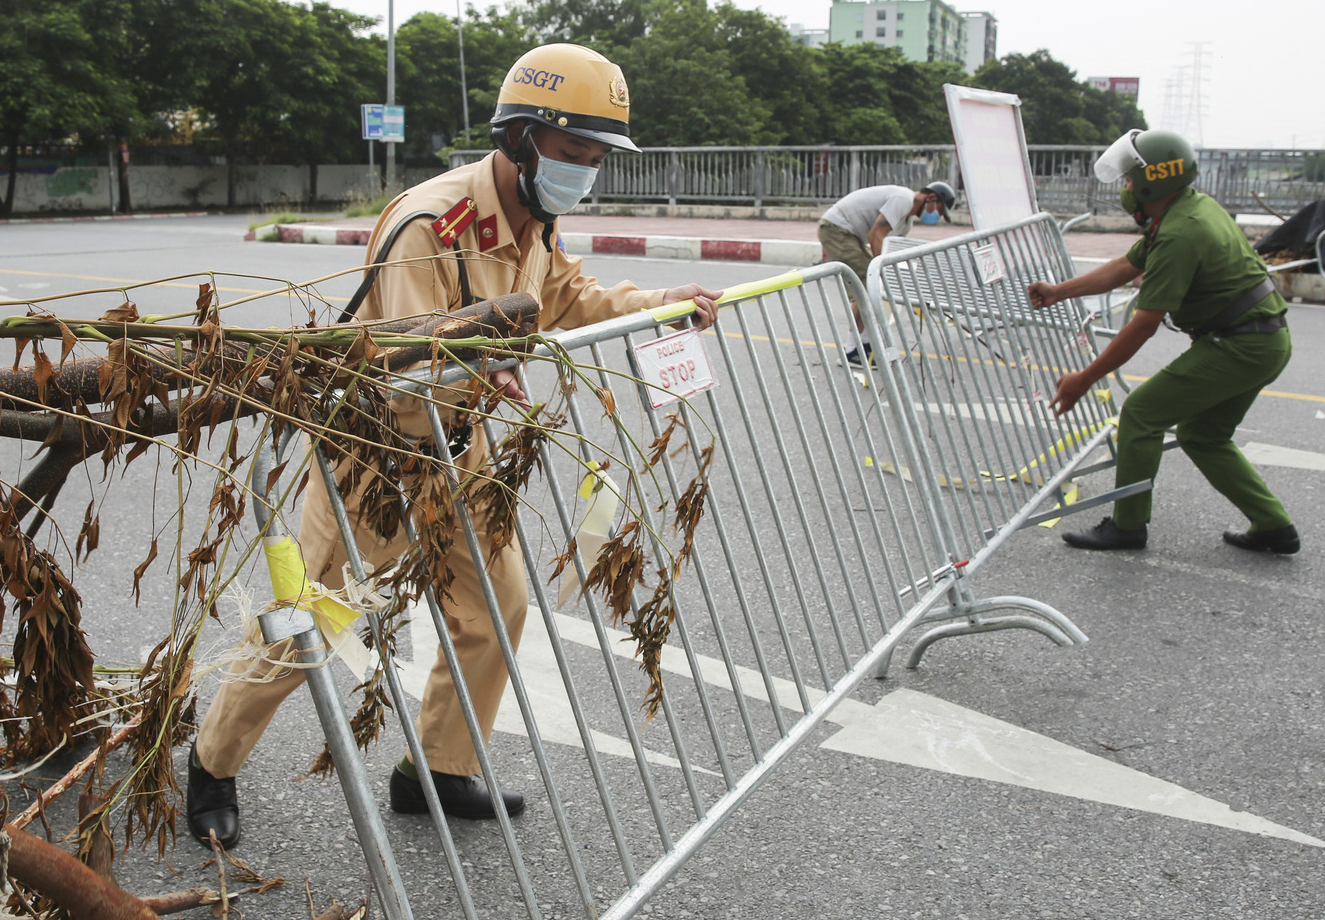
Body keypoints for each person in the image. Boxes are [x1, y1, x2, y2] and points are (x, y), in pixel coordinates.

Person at [184, 42, 723, 849]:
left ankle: (435, 768)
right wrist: (482, 368)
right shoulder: (430, 224)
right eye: (574, 153)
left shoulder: (532, 218)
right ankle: (211, 763)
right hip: (371, 458)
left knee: (494, 608)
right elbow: (406, 356)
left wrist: (657, 302)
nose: (584, 171)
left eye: (594, 158)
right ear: (520, 139)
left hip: (457, 451)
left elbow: (565, 295)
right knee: (308, 626)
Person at [1027, 128, 1298, 555]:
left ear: (1154, 180)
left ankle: (1127, 526)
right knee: (1203, 435)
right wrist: (1060, 290)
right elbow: (1123, 266)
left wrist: (1085, 378)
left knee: (1141, 414)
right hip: (1264, 340)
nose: (1127, 187)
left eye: (1131, 179)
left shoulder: (1179, 234)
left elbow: (1143, 324)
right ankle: (1273, 526)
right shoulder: (1189, 209)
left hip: (1240, 346)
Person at [815, 181, 957, 365]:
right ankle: (852, 352)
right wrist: (882, 270)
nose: (937, 215)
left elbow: (892, 250)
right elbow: (876, 236)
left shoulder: (906, 222)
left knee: (874, 287)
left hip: (850, 234)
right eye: (939, 209)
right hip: (836, 229)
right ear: (931, 198)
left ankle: (864, 345)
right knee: (866, 286)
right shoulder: (903, 199)